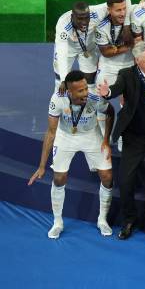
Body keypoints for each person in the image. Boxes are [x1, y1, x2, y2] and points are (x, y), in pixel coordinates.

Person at [97, 43, 145, 242]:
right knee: (126, 181)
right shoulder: (127, 74)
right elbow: (116, 89)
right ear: (137, 60)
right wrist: (107, 93)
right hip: (134, 138)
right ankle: (129, 221)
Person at [28, 71, 114, 239]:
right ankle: (58, 222)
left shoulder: (94, 99)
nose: (85, 93)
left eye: (85, 88)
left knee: (107, 176)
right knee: (59, 178)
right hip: (65, 136)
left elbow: (110, 111)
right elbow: (51, 132)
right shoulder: (57, 99)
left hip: (91, 135)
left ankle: (102, 219)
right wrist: (41, 166)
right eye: (80, 91)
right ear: (69, 92)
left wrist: (105, 139)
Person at [53, 1, 110, 92]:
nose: (84, 22)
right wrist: (64, 79)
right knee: (61, 83)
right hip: (68, 50)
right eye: (80, 19)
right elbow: (62, 52)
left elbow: (123, 1)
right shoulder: (63, 25)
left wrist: (141, 4)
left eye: (86, 18)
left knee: (89, 82)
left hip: (88, 49)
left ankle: (87, 105)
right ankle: (62, 104)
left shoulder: (97, 12)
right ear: (72, 17)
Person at [96, 0, 135, 88]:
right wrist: (128, 46)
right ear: (109, 10)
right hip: (108, 65)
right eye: (118, 10)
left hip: (130, 64)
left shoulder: (133, 15)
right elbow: (106, 52)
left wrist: (126, 25)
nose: (122, 13)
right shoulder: (101, 27)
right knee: (100, 97)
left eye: (124, 8)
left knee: (130, 99)